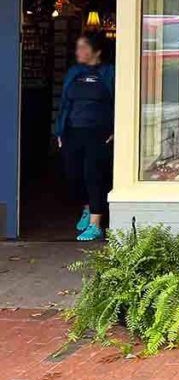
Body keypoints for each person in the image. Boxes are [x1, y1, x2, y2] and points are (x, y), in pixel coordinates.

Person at [55, 31, 115, 241]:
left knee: (94, 175)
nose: (78, 51)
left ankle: (95, 224)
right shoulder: (74, 72)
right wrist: (60, 130)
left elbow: (122, 99)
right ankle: (88, 208)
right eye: (77, 47)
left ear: (96, 51)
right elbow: (65, 103)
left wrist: (116, 129)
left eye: (83, 47)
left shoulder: (109, 72)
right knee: (74, 175)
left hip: (99, 133)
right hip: (73, 131)